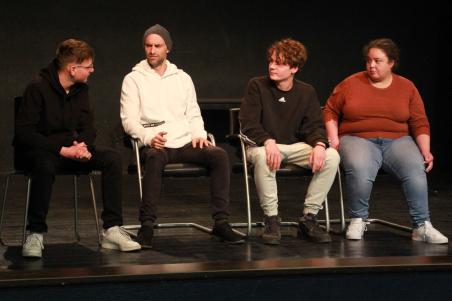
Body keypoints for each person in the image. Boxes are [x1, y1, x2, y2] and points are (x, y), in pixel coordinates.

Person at [14, 39, 141, 258]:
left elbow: (88, 127)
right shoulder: (37, 88)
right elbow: (25, 134)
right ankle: (35, 232)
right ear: (73, 68)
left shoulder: (81, 90)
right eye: (88, 66)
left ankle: (111, 229)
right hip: (40, 152)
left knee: (111, 158)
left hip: (71, 151)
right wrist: (61, 150)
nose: (92, 70)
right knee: (44, 165)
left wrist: (83, 146)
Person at [120, 24, 244, 247]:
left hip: (186, 140)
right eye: (148, 46)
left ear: (168, 48)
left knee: (218, 155)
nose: (152, 50)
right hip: (157, 141)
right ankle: (147, 226)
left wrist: (198, 133)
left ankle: (221, 222)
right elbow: (129, 120)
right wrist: (148, 137)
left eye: (157, 46)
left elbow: (193, 112)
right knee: (155, 157)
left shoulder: (182, 78)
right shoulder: (133, 79)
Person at [324, 38, 448, 244]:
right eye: (368, 60)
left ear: (391, 63)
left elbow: (419, 122)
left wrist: (426, 151)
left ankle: (421, 226)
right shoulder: (351, 83)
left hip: (397, 140)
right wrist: (334, 138)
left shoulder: (406, 87)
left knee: (415, 168)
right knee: (360, 166)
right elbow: (330, 110)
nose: (371, 65)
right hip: (357, 138)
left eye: (378, 61)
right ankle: (358, 219)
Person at [239, 38, 340, 245]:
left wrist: (320, 145)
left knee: (332, 155)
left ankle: (309, 218)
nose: (272, 66)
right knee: (262, 155)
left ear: (294, 68)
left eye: (279, 63)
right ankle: (272, 218)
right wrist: (268, 141)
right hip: (261, 146)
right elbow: (248, 124)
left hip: (294, 147)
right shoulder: (257, 85)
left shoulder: (306, 91)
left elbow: (314, 127)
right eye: (271, 61)